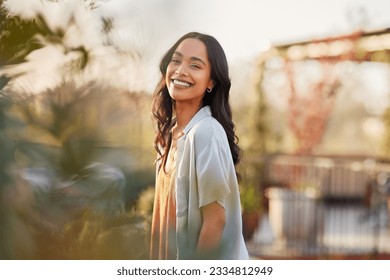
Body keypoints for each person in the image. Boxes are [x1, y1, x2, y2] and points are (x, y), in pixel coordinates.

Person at [150, 32, 249, 260]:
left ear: (211, 81)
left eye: (195, 65)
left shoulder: (206, 132)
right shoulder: (168, 136)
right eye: (176, 61)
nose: (181, 70)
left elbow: (215, 222)